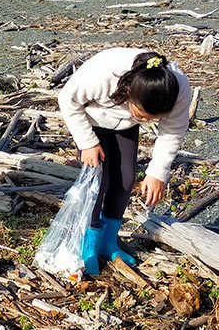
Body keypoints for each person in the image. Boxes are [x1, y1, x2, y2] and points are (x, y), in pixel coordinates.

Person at [58, 49, 192, 276]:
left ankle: (108, 243)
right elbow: (67, 99)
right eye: (143, 116)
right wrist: (87, 142)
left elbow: (173, 130)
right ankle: (87, 245)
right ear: (129, 92)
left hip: (124, 125)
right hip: (90, 119)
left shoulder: (177, 90)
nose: (148, 122)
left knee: (126, 177)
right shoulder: (103, 73)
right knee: (99, 181)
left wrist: (158, 172)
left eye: (154, 119)